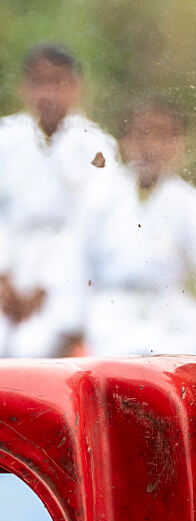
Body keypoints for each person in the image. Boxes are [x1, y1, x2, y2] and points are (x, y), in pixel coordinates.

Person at [80, 98, 196, 358]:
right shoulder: (98, 197)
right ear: (124, 140)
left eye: (164, 136)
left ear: (181, 144)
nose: (151, 146)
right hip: (109, 314)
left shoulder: (193, 205)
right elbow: (73, 265)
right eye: (142, 134)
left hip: (169, 314)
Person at [0, 44, 118, 358]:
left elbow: (87, 227)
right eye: (39, 82)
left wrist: (46, 285)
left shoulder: (95, 145)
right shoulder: (6, 137)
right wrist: (3, 277)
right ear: (24, 87)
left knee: (34, 350)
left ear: (76, 86)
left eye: (58, 83)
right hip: (10, 263)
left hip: (66, 274)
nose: (48, 93)